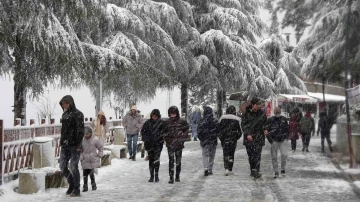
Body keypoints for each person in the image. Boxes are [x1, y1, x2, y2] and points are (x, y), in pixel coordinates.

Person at [59, 95, 84, 197]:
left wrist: (78, 144)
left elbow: (80, 130)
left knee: (74, 166)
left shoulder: (78, 114)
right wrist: (61, 141)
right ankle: (71, 183)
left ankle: (77, 189)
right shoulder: (64, 115)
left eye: (64, 103)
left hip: (74, 145)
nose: (63, 105)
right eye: (62, 104)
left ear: (69, 103)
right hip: (65, 144)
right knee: (62, 166)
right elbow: (63, 130)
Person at [241, 97, 267, 179]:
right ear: (252, 104)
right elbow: (244, 125)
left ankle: (256, 170)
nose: (259, 106)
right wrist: (248, 134)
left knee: (257, 155)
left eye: (259, 104)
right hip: (249, 138)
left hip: (259, 137)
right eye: (257, 104)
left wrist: (266, 129)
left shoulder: (262, 113)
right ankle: (253, 170)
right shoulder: (246, 113)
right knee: (251, 155)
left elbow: (265, 123)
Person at [164, 106, 189, 184]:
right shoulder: (167, 122)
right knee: (171, 161)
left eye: (174, 113)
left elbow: (186, 130)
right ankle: (171, 177)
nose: (173, 114)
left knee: (178, 161)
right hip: (170, 144)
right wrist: (166, 138)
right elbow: (163, 131)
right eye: (171, 113)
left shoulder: (182, 121)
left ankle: (177, 176)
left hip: (179, 144)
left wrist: (182, 138)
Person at [141, 109, 165, 182]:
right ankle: (151, 176)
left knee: (157, 160)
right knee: (151, 160)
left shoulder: (161, 123)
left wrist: (161, 139)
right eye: (153, 115)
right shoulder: (147, 123)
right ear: (151, 115)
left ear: (158, 116)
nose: (154, 117)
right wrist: (146, 139)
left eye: (156, 115)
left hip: (158, 144)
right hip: (149, 144)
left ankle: (156, 175)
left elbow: (165, 132)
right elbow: (143, 132)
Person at [264, 107, 289, 178]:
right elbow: (266, 130)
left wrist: (286, 137)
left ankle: (283, 169)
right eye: (276, 112)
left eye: (278, 112)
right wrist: (270, 140)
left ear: (280, 112)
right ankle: (276, 171)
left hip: (283, 140)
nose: (277, 113)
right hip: (274, 140)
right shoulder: (270, 120)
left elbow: (287, 129)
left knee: (284, 155)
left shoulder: (284, 119)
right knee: (274, 157)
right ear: (274, 112)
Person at [218, 105, 242, 176]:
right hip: (233, 139)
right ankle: (230, 168)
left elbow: (218, 128)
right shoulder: (238, 119)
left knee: (225, 153)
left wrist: (221, 137)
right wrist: (236, 137)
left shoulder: (222, 117)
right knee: (231, 154)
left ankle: (226, 168)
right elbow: (240, 131)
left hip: (224, 138)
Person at [197, 106, 220, 176]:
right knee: (212, 156)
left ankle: (206, 168)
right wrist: (215, 136)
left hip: (204, 141)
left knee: (205, 155)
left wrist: (201, 138)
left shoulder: (201, 121)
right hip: (213, 140)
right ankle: (210, 169)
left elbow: (199, 132)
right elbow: (218, 131)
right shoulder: (215, 121)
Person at [80, 126, 103, 192]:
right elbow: (80, 150)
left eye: (87, 134)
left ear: (90, 133)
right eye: (84, 134)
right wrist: (81, 157)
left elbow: (100, 147)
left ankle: (93, 184)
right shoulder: (82, 141)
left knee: (91, 173)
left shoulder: (95, 140)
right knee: (85, 173)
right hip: (85, 159)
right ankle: (85, 186)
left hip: (92, 159)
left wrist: (99, 155)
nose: (85, 135)